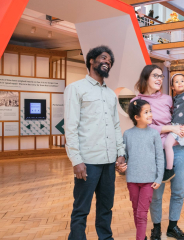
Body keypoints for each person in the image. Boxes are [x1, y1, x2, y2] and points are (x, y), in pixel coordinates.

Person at [64, 45, 127, 240]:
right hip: (88, 161)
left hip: (109, 162)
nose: (107, 61)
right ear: (91, 61)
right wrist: (76, 160)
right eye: (103, 58)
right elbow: (71, 127)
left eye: (109, 60)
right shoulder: (75, 89)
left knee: (106, 207)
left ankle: (106, 238)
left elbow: (116, 126)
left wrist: (120, 152)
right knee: (81, 208)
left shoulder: (109, 95)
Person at [130, 65, 184, 240]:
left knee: (178, 191)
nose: (159, 79)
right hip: (154, 153)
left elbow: (182, 117)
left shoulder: (168, 99)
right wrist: (170, 127)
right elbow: (143, 128)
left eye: (161, 76)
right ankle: (156, 227)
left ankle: (172, 227)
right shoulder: (136, 102)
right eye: (155, 75)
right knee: (156, 194)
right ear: (145, 78)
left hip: (178, 149)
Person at [121, 99, 164, 240]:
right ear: (137, 117)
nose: (150, 114)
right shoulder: (127, 134)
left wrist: (159, 178)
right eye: (146, 112)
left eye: (150, 111)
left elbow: (159, 157)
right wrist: (120, 166)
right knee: (136, 211)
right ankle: (142, 237)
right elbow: (125, 157)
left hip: (149, 181)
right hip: (132, 180)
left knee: (142, 213)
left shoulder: (154, 134)